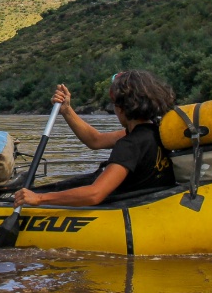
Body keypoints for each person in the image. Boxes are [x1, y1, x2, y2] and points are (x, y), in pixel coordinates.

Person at [14, 70, 175, 207]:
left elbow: (95, 194)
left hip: (122, 205)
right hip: (143, 201)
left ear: (121, 108)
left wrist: (39, 198)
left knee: (34, 193)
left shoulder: (129, 145)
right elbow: (96, 140)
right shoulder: (158, 131)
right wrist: (67, 110)